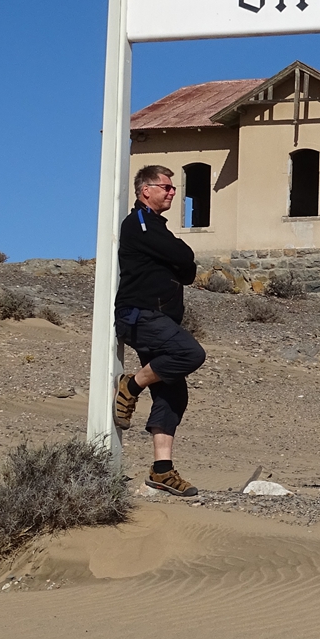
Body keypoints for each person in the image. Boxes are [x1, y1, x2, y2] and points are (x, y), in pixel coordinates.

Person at [113, 164, 207, 496]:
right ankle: (131, 384)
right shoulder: (139, 223)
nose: (171, 192)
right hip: (140, 315)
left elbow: (187, 269)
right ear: (145, 190)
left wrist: (179, 258)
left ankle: (161, 470)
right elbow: (181, 255)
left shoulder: (157, 228)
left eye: (173, 188)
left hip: (159, 319)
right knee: (190, 353)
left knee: (173, 393)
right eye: (165, 187)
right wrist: (178, 257)